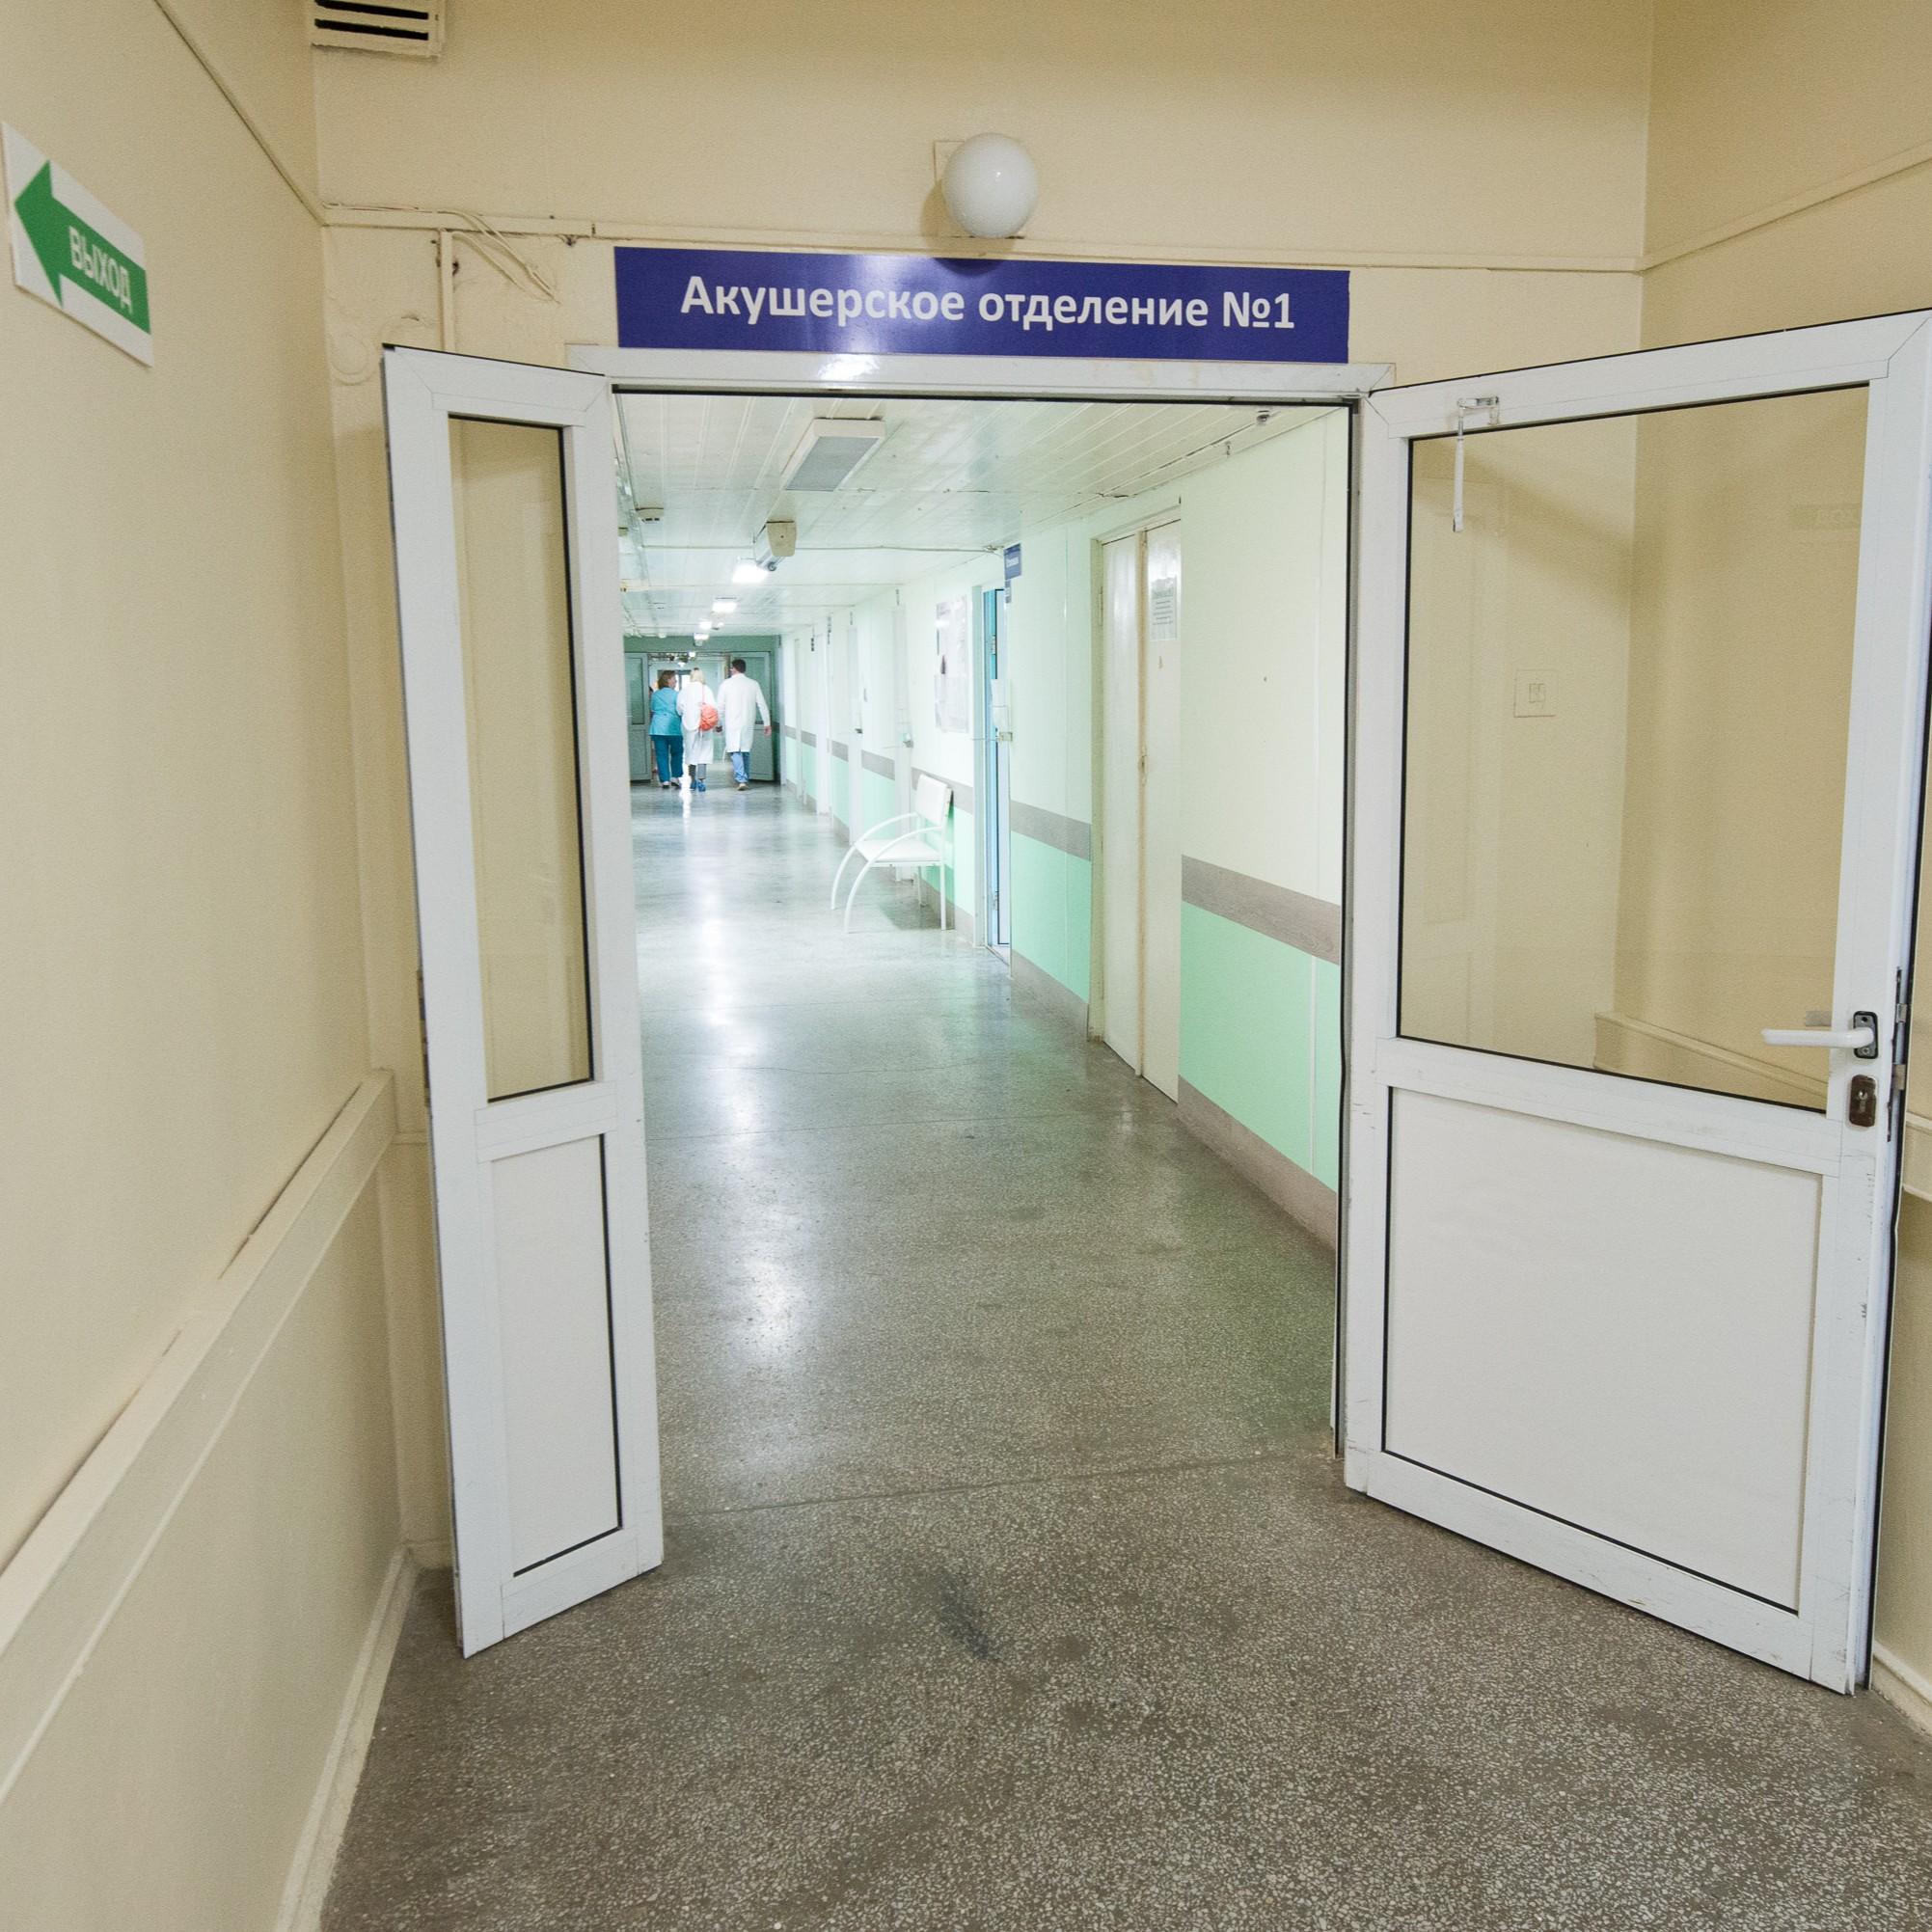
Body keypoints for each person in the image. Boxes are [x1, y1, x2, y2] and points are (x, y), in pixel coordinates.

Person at [717, 656, 772, 792]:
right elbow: (762, 705)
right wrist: (767, 723)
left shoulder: (726, 684)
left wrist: (718, 723)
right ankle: (744, 778)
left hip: (732, 723)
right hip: (747, 723)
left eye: (731, 668)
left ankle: (741, 779)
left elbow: (720, 707)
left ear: (734, 669)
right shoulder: (753, 684)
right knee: (745, 751)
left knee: (735, 751)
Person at [678, 664, 717, 792]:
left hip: (689, 725)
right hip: (704, 725)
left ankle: (692, 780)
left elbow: (679, 709)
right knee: (703, 753)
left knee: (691, 753)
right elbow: (713, 708)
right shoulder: (706, 689)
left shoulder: (684, 690)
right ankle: (701, 781)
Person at [647, 669, 684, 788]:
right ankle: (675, 777)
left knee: (661, 754)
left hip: (658, 728)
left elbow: (653, 709)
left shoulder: (655, 695)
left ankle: (665, 780)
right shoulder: (677, 695)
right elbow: (681, 710)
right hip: (673, 728)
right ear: (668, 680)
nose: (676, 681)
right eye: (674, 679)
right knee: (677, 753)